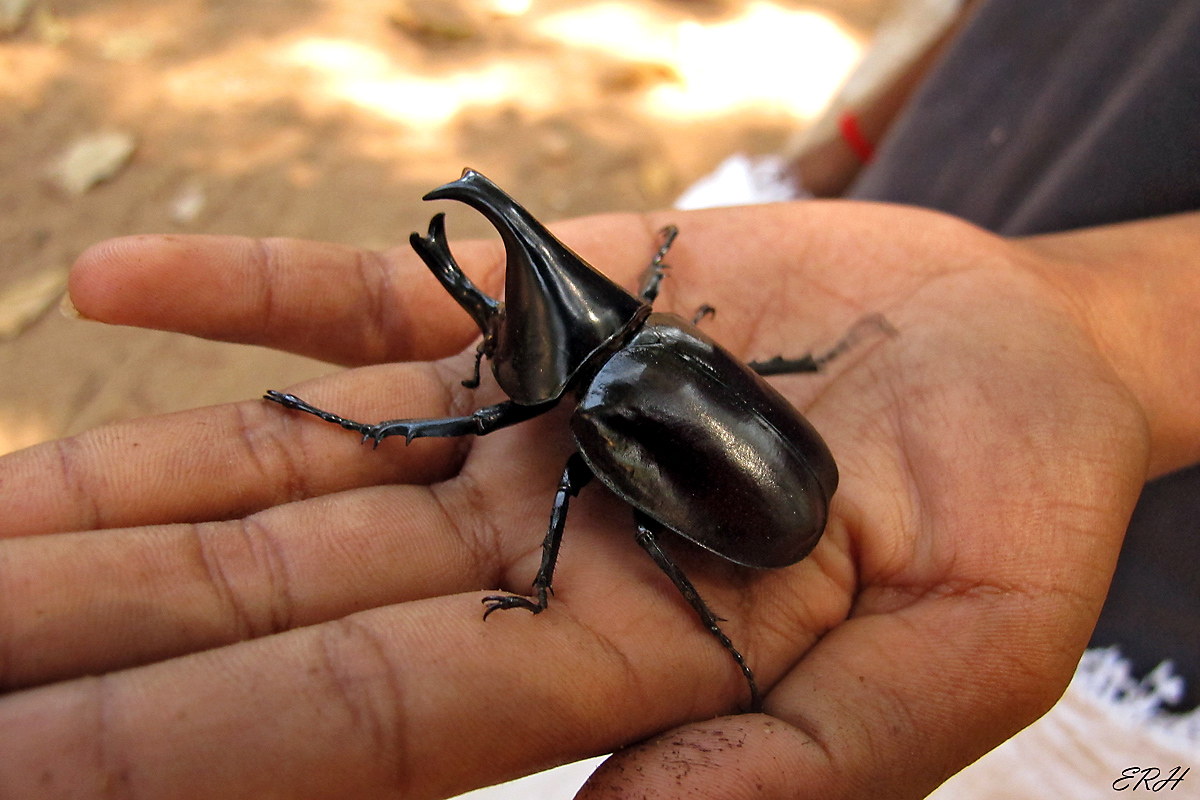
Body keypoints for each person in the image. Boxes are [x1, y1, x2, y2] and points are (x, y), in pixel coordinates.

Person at [1, 5, 1197, 800]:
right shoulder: (655, 334)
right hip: (834, 410)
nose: (485, 312)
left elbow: (513, 461)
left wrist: (1104, 327)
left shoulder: (601, 399)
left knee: (588, 516)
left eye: (492, 313)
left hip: (1098, 638)